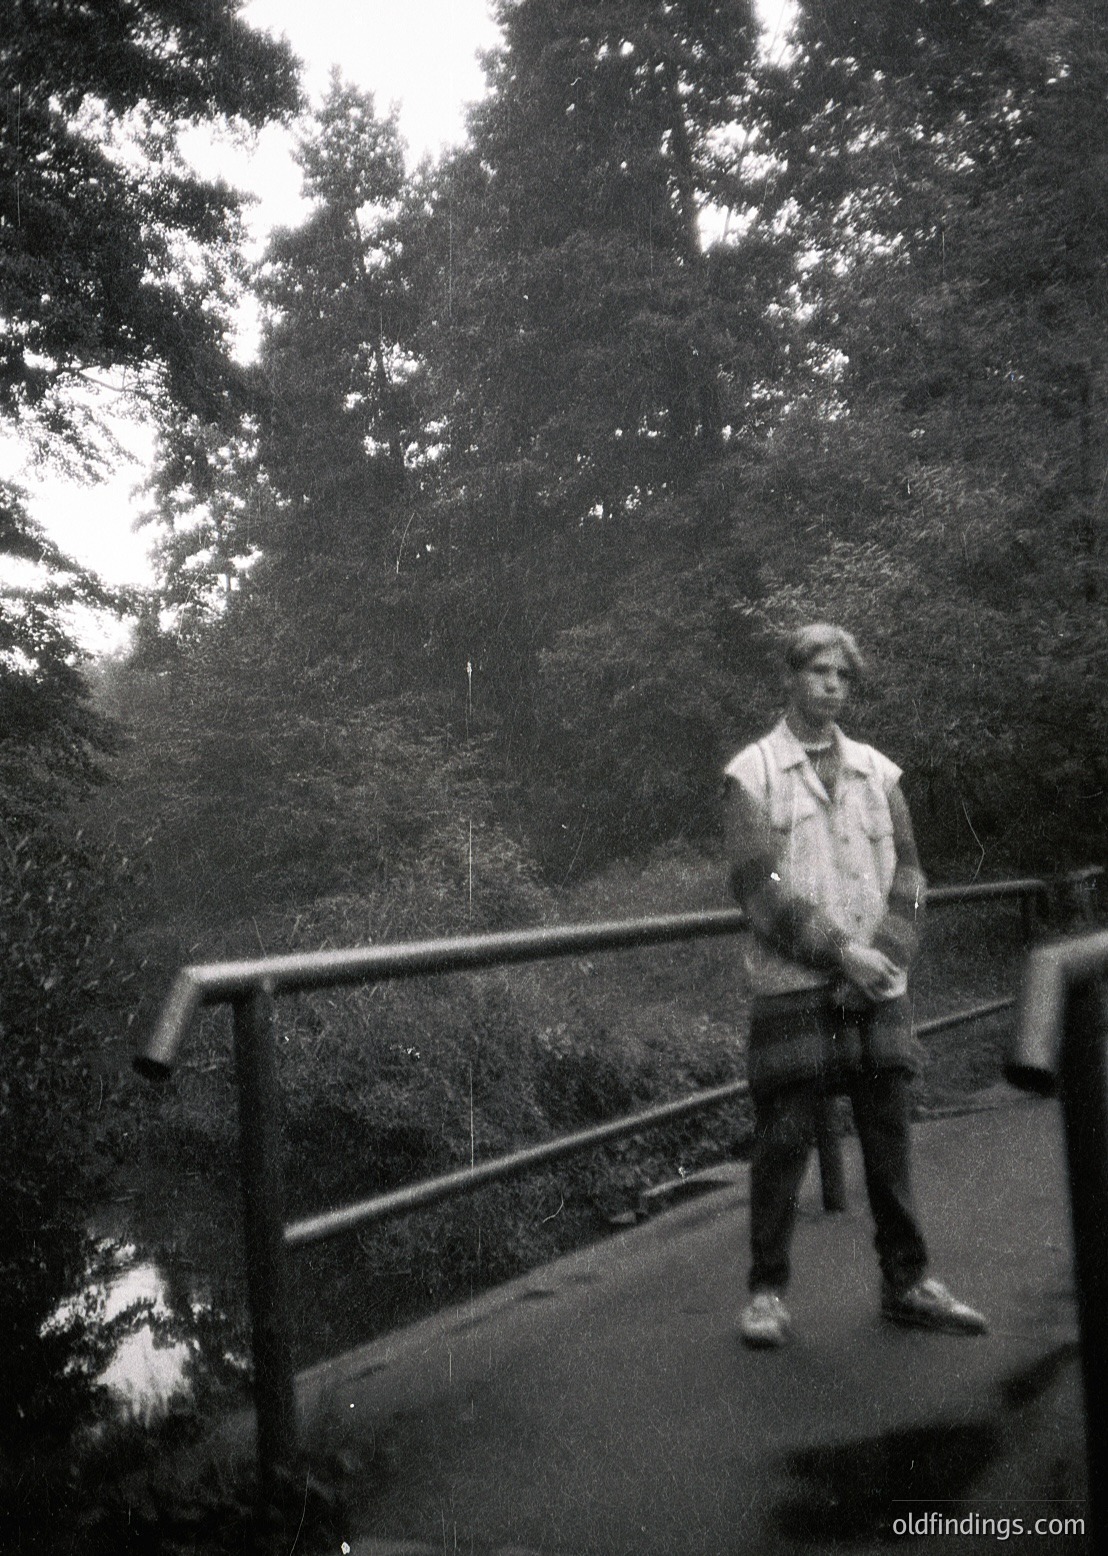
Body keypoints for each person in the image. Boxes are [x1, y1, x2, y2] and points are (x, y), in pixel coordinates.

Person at [724, 623, 987, 1348]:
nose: (831, 684)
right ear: (791, 678)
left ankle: (907, 1282)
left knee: (889, 1137)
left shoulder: (881, 773)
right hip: (792, 987)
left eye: (842, 673)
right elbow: (758, 886)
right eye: (817, 670)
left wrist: (886, 953)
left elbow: (910, 874)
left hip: (877, 986)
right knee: (783, 1141)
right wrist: (844, 954)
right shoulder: (752, 774)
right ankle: (767, 1294)